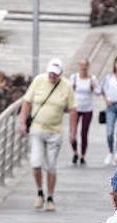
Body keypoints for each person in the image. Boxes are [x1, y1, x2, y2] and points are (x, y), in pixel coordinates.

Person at [19, 58, 77, 212]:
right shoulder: (39, 80)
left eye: (55, 74)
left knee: (50, 165)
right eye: (51, 73)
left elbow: (73, 109)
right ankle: (40, 192)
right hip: (37, 129)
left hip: (55, 131)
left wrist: (72, 132)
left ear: (61, 74)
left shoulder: (66, 86)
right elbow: (27, 101)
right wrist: (22, 123)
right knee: (36, 162)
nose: (52, 76)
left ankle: (50, 197)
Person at [68, 59, 100, 167]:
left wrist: (93, 87)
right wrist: (72, 88)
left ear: (88, 66)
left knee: (84, 133)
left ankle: (82, 155)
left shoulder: (92, 78)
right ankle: (75, 152)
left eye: (85, 65)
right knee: (73, 132)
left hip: (87, 108)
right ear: (79, 66)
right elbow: (68, 91)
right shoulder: (74, 78)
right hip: (75, 108)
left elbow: (98, 92)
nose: (83, 67)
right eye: (81, 65)